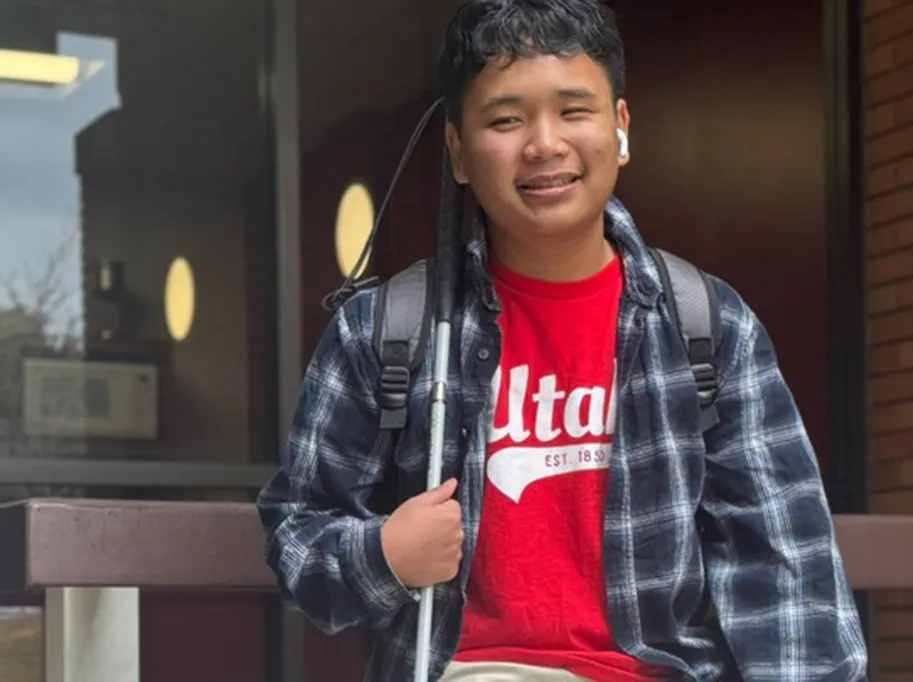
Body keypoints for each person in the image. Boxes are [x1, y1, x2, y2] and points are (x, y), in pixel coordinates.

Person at [256, 1, 869, 680]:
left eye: (574, 110)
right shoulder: (386, 328)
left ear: (621, 128)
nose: (544, 144)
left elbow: (788, 570)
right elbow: (298, 537)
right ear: (458, 152)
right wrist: (384, 557)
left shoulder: (709, 325)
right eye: (506, 119)